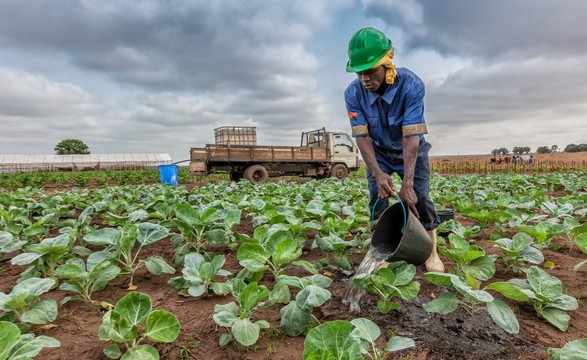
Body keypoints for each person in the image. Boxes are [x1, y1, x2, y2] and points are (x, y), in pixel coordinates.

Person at [344, 27, 444, 272]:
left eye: (369, 71)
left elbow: (411, 138)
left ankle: (431, 250)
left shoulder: (410, 85)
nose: (364, 79)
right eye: (359, 73)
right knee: (377, 198)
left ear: (388, 65)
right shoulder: (353, 94)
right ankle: (381, 249)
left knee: (420, 198)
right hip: (378, 153)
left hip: (411, 151)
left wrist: (407, 183)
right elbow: (363, 138)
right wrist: (378, 174)